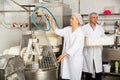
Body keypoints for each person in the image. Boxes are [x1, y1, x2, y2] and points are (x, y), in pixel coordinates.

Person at [46, 13, 84, 80]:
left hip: (75, 60)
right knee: (65, 76)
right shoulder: (68, 29)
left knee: (73, 77)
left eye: (72, 19)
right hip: (66, 59)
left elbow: (75, 47)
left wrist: (63, 55)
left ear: (78, 21)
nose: (70, 20)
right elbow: (56, 31)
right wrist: (52, 21)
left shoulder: (80, 33)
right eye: (70, 18)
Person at [82, 12, 105, 80]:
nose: (95, 19)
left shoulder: (100, 28)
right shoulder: (84, 28)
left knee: (98, 70)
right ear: (89, 18)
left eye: (96, 17)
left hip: (97, 51)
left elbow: (103, 37)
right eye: (93, 17)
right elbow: (81, 38)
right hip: (88, 52)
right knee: (88, 70)